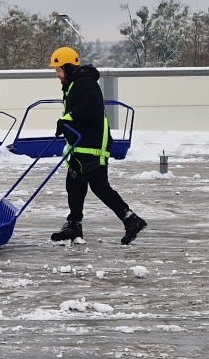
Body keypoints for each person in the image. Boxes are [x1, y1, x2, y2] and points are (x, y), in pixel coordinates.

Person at [46, 46, 147, 245]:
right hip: (80, 145)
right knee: (74, 184)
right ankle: (74, 225)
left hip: (93, 146)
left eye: (58, 70)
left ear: (67, 67)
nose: (57, 75)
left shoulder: (85, 84)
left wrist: (67, 119)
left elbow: (92, 107)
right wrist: (66, 124)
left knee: (100, 186)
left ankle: (131, 220)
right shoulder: (74, 84)